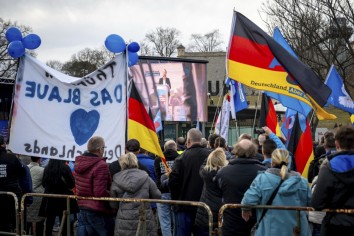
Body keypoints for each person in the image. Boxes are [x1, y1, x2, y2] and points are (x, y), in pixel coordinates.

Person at [241, 149, 311, 236]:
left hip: (269, 230)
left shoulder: (262, 179)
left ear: (272, 162)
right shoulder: (302, 181)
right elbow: (310, 202)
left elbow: (248, 201)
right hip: (298, 230)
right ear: (288, 162)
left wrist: (246, 209)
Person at [215, 139, 266, 236]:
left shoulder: (223, 172)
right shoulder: (263, 172)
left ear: (236, 150)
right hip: (255, 223)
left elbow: (218, 192)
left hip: (231, 224)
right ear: (253, 151)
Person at [312, 126, 354, 235]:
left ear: (337, 144)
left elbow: (317, 203)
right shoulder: (328, 166)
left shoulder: (328, 167)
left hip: (335, 225)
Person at [168, 128, 211, 236]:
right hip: (205, 206)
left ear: (188, 141)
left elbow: (173, 182)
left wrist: (176, 201)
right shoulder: (210, 156)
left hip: (184, 205)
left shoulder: (180, 158)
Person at [110, 152, 161, 236]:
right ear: (135, 162)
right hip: (144, 217)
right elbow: (157, 196)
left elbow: (113, 204)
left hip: (124, 220)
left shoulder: (116, 179)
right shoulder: (145, 177)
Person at [74, 136, 115, 236]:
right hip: (97, 210)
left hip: (82, 206)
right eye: (104, 148)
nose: (104, 150)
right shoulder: (101, 165)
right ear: (100, 149)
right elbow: (99, 192)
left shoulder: (79, 163)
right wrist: (112, 197)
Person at [39, 159, 79, 236]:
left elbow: (44, 183)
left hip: (50, 198)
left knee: (49, 221)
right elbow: (71, 184)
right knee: (64, 221)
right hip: (64, 199)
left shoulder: (47, 168)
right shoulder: (65, 168)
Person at [195, 148, 228, 235]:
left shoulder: (206, 172)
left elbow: (202, 165)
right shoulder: (227, 174)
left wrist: (211, 156)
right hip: (222, 212)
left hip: (205, 214)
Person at [0, 136, 27, 232]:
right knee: (15, 220)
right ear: (3, 144)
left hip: (4, 195)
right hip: (13, 195)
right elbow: (23, 172)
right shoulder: (11, 158)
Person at [154, 140, 179, 236]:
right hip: (176, 193)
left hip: (162, 193)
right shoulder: (180, 158)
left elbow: (157, 175)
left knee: (165, 223)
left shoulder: (158, 159)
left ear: (165, 148)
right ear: (175, 148)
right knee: (176, 221)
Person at [27, 156, 45, 236]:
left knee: (27, 219)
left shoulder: (25, 167)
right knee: (39, 221)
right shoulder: (42, 170)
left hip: (26, 197)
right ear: (39, 159)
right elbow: (45, 184)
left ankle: (27, 233)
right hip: (39, 198)